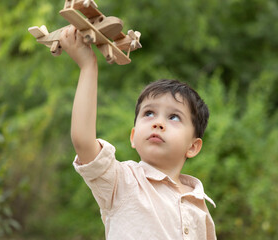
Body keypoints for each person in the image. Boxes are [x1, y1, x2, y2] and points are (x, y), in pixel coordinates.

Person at [60, 25, 217, 240]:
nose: (158, 123)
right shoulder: (122, 182)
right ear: (133, 137)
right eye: (149, 113)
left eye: (173, 117)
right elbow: (83, 141)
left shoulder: (198, 205)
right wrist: (88, 66)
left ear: (193, 146)